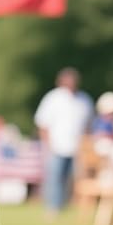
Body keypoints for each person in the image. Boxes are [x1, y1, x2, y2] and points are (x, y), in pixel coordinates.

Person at [34, 67, 93, 214]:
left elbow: (88, 125)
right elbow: (43, 124)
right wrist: (47, 144)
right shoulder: (53, 98)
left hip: (77, 147)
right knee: (55, 179)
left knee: (73, 180)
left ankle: (67, 206)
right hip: (56, 146)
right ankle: (53, 208)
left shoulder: (84, 100)